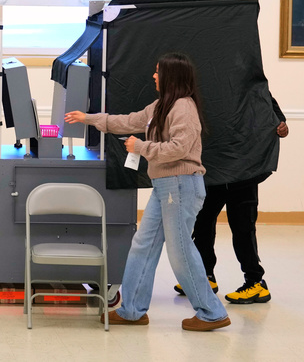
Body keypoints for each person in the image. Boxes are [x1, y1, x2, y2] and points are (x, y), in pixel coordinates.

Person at [65, 52, 231, 332]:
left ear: (171, 76)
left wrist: (141, 148)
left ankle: (212, 312)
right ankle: (132, 311)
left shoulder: (184, 108)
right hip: (166, 186)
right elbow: (128, 121)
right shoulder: (161, 105)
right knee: (143, 245)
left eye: (157, 72)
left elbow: (180, 148)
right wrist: (88, 118)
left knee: (180, 252)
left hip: (181, 185)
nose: (154, 76)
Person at [175, 97, 289, 305]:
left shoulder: (248, 82)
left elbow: (268, 105)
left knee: (243, 228)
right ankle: (206, 276)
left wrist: (280, 123)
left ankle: (256, 282)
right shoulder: (209, 81)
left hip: (243, 170)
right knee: (202, 224)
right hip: (215, 169)